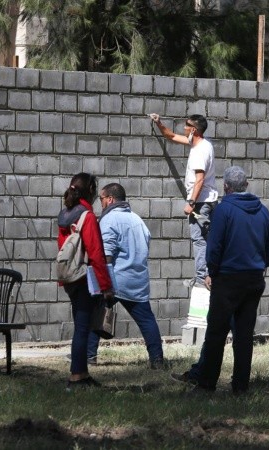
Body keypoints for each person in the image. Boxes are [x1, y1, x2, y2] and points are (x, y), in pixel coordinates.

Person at [187, 166, 269, 394]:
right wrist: (260, 265)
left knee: (216, 333)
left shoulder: (224, 210)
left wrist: (211, 272)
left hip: (227, 279)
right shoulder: (263, 211)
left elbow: (214, 246)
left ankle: (207, 384)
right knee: (244, 336)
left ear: (225, 187)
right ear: (246, 186)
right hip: (254, 279)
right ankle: (240, 386)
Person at [86, 183, 165, 368]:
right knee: (147, 320)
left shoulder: (109, 220)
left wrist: (104, 284)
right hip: (138, 280)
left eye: (102, 199)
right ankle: (157, 360)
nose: (101, 203)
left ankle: (89, 357)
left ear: (110, 199)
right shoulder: (138, 220)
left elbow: (106, 254)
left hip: (115, 279)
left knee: (96, 313)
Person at [57, 173, 114, 389]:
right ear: (90, 190)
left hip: (70, 278)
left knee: (81, 325)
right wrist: (106, 286)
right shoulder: (87, 216)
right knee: (83, 328)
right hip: (84, 278)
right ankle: (76, 377)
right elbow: (96, 253)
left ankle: (82, 373)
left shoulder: (66, 214)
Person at [149, 113, 218, 288]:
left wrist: (191, 203)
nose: (184, 127)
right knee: (207, 239)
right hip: (208, 201)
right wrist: (159, 123)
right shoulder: (203, 143)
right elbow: (171, 136)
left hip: (201, 203)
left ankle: (202, 279)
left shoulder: (198, 152)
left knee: (199, 240)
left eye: (186, 125)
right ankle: (208, 276)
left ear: (193, 130)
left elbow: (200, 179)